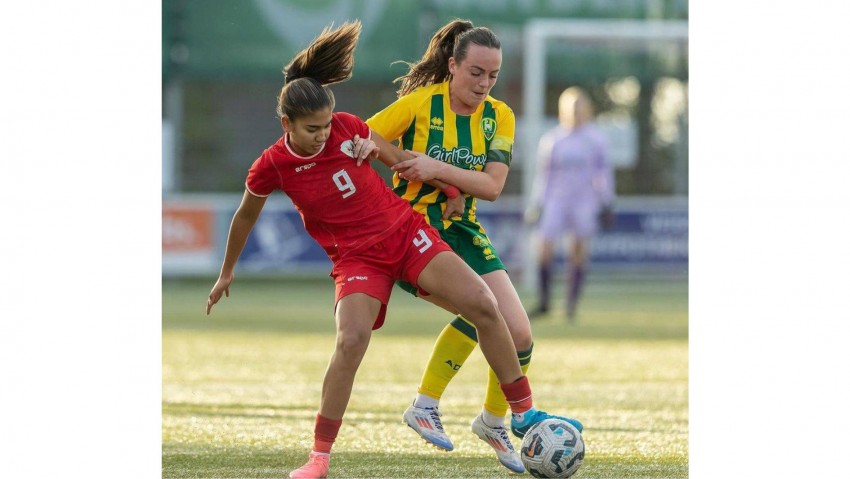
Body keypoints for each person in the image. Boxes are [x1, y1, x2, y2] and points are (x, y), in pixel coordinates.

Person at [205, 21, 570, 479]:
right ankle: (319, 457)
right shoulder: (271, 166)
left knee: (483, 303)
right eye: (312, 129)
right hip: (356, 259)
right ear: (287, 125)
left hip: (406, 234)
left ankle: (518, 414)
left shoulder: (349, 128)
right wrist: (226, 272)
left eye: (327, 125)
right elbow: (244, 216)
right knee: (351, 340)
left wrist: (449, 188)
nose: (323, 135)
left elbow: (399, 160)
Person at [365, 19, 582, 473]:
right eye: (475, 72)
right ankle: (427, 403)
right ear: (452, 66)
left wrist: (438, 172)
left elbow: (492, 186)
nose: (484, 83)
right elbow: (363, 135)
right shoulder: (421, 103)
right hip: (415, 229)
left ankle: (492, 419)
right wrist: (405, 162)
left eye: (492, 75)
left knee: (520, 334)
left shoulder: (499, 116)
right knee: (484, 311)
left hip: (463, 228)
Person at [525, 86, 616, 321]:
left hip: (584, 200)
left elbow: (603, 173)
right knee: (544, 246)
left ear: (588, 109)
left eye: (580, 106)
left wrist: (607, 201)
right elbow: (544, 175)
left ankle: (571, 305)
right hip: (557, 199)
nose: (576, 112)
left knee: (578, 250)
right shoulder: (553, 140)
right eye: (571, 107)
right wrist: (537, 204)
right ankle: (544, 302)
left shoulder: (595, 140)